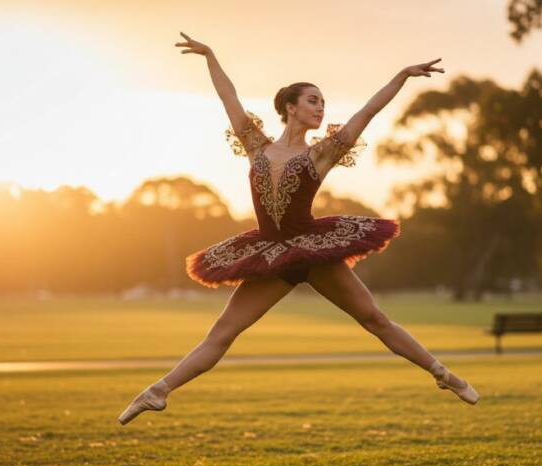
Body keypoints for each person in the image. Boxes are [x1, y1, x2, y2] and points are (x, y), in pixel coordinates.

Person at [118, 32, 478, 425]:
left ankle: (444, 375)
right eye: (313, 100)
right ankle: (158, 391)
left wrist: (402, 75)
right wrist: (210, 56)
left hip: (313, 251)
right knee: (221, 333)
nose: (320, 108)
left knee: (374, 320)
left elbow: (368, 112)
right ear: (291, 108)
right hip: (271, 257)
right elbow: (228, 97)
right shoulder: (256, 146)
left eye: (323, 103)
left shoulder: (320, 154)